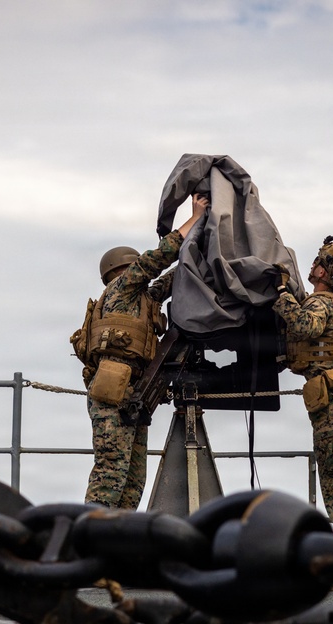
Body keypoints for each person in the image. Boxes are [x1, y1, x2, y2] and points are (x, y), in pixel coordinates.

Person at [71, 194, 209, 509]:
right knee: (111, 474)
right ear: (124, 270)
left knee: (133, 480)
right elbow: (155, 261)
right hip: (114, 391)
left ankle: (119, 539)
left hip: (134, 393)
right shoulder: (119, 290)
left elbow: (173, 278)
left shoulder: (142, 301)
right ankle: (88, 533)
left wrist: (200, 246)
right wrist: (195, 219)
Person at [271, 236, 333, 533]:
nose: (313, 266)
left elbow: (305, 325)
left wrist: (281, 293)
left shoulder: (320, 302)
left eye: (317, 263)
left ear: (323, 273)